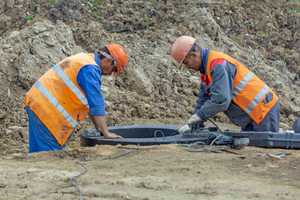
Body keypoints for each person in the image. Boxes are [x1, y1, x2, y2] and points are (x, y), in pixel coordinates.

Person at [24, 43, 128, 153]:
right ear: (108, 60)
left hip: (40, 103)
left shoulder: (85, 60)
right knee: (47, 156)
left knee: (38, 154)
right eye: (114, 69)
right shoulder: (90, 69)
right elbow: (96, 103)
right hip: (47, 109)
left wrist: (100, 129)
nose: (111, 73)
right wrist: (106, 133)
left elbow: (91, 106)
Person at [170, 36, 280, 133]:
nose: (187, 67)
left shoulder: (217, 65)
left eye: (186, 62)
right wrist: (194, 123)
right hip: (252, 114)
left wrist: (199, 116)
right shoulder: (207, 70)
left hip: (263, 110)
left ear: (194, 54)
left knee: (261, 151)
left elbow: (221, 100)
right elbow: (203, 98)